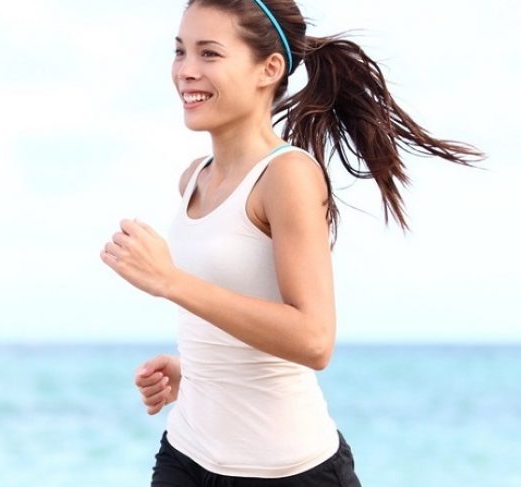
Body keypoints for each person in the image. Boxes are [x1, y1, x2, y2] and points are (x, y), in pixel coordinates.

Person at [98, 1, 485, 486]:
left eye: (210, 54)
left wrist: (169, 281)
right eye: (180, 51)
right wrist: (196, 370)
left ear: (270, 68)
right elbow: (239, 309)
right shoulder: (193, 179)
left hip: (287, 471)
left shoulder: (288, 176)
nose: (186, 71)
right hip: (186, 455)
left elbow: (313, 339)